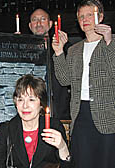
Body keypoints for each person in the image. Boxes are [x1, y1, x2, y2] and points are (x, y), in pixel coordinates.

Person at [52, 0, 115, 167]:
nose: (85, 19)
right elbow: (65, 80)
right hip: (80, 114)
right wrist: (59, 52)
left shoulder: (112, 42)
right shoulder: (74, 50)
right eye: (81, 16)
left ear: (100, 17)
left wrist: (109, 43)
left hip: (108, 116)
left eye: (89, 15)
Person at [0, 74, 72, 168]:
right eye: (20, 100)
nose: (25, 106)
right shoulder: (6, 130)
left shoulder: (54, 127)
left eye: (31, 100)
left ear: (41, 104)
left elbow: (67, 166)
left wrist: (62, 147)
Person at [29, 8, 71, 120]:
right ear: (30, 25)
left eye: (43, 19)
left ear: (50, 23)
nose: (38, 23)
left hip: (59, 107)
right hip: (30, 108)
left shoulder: (65, 47)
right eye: (34, 20)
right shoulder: (23, 50)